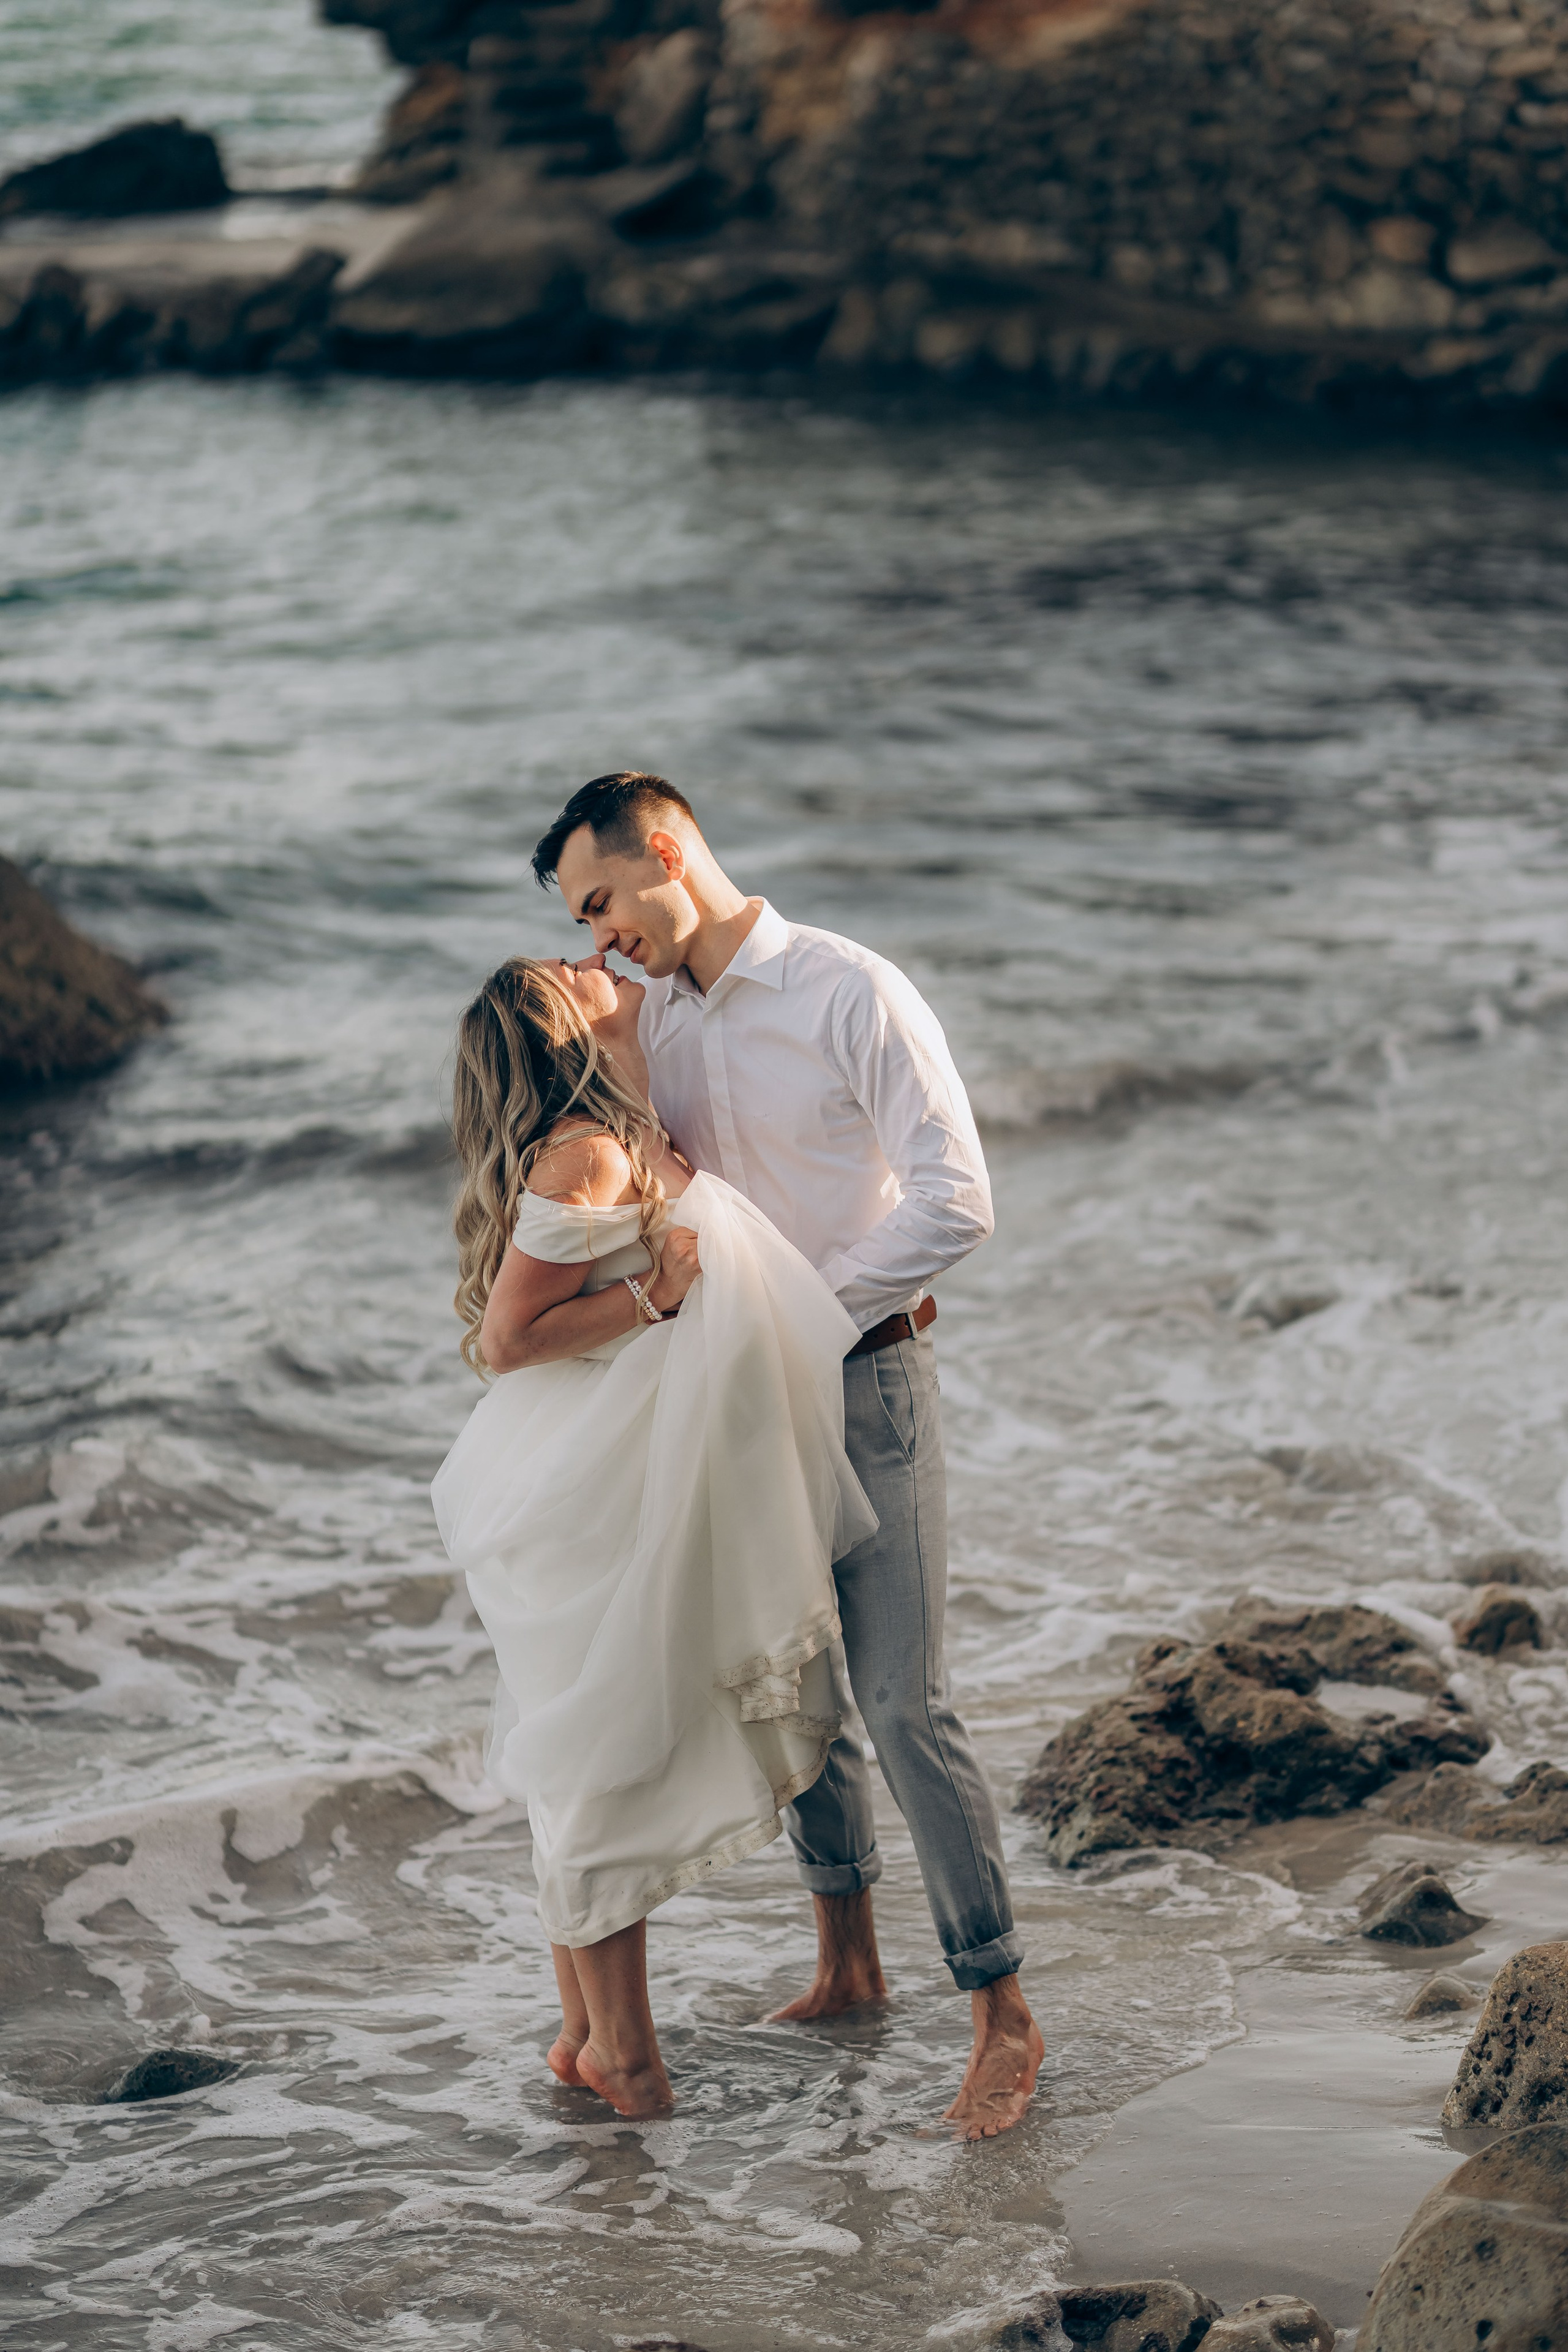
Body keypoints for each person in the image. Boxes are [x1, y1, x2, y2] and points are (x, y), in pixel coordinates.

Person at [530, 770, 1044, 2141]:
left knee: (900, 1699)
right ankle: (847, 1965)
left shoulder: (845, 990)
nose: (597, 938)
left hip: (862, 1376)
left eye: (599, 901)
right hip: (730, 1399)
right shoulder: (660, 1027)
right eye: (576, 921)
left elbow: (957, 1200)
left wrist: (806, 1317)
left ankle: (1001, 2014)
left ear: (668, 849)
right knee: (789, 1680)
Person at [432, 954, 876, 2119]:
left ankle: (585, 2034)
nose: (597, 959)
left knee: (590, 1761)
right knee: (603, 1766)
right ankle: (621, 2054)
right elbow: (508, 1339)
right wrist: (657, 1300)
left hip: (619, 1476)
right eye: (571, 967)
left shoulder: (620, 1116)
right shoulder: (585, 1149)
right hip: (591, 1493)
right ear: (553, 1024)